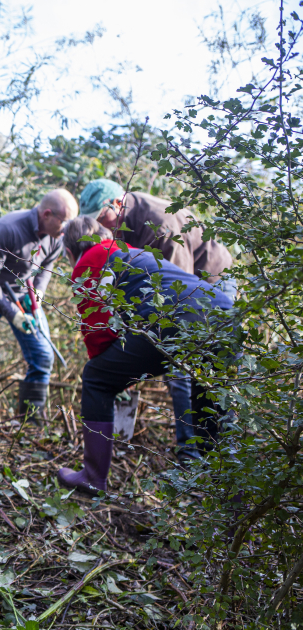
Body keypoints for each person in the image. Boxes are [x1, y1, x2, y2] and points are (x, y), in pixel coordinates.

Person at [56, 217, 234, 493]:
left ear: (69, 252)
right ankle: (232, 512)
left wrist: (115, 378)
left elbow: (99, 337)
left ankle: (93, 477)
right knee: (209, 411)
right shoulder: (133, 251)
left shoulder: (89, 261)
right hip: (224, 313)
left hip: (178, 320)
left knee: (96, 378)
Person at [77, 179, 236, 460]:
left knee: (188, 365)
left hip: (209, 283)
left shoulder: (158, 224)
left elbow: (175, 291)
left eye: (103, 219)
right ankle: (201, 455)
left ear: (117, 203)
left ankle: (192, 453)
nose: (103, 227)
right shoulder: (118, 227)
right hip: (182, 292)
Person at [0, 189, 79, 421]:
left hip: (23, 292)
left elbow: (45, 271)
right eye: (64, 221)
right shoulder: (8, 228)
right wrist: (12, 314)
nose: (67, 227)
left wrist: (38, 294)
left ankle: (31, 423)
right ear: (47, 215)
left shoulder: (57, 237)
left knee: (43, 355)